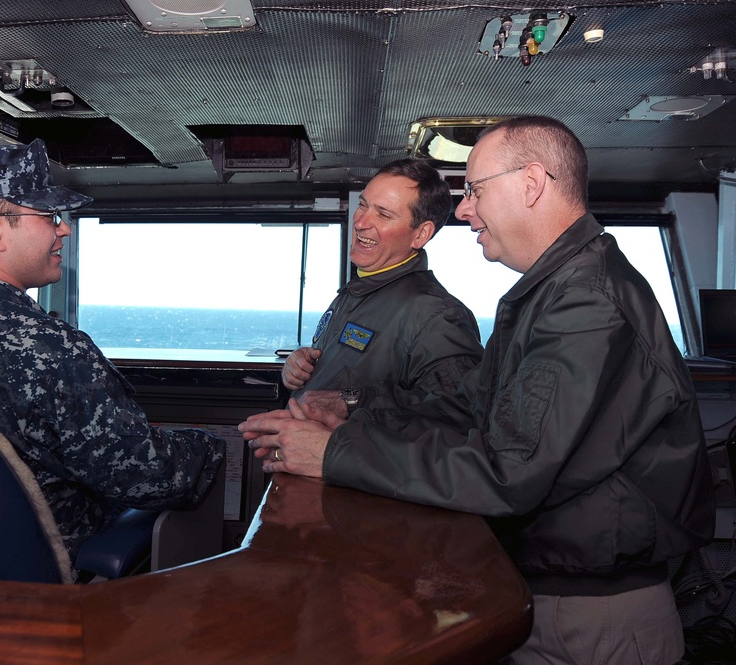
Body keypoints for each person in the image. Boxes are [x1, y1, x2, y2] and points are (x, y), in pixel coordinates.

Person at [240, 116, 715, 664]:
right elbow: (469, 400)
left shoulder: (586, 302)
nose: (464, 211)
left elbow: (508, 471)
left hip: (593, 614)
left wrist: (334, 452)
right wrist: (351, 407)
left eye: (475, 190)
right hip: (551, 589)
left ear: (532, 183)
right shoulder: (550, 293)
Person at [0, 139, 224, 581]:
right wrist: (208, 446)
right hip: (52, 569)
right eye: (48, 216)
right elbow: (147, 476)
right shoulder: (48, 348)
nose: (63, 229)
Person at [281, 159, 482, 413]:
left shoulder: (437, 316)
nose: (361, 222)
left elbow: (457, 412)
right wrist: (300, 367)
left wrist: (352, 400)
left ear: (420, 234)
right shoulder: (356, 291)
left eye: (383, 214)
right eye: (363, 205)